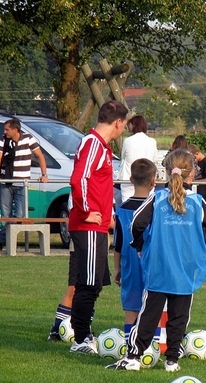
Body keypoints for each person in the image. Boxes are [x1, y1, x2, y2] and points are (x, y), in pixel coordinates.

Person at [106, 148, 206, 371]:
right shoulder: (197, 202)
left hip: (158, 267)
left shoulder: (157, 199)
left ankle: (133, 357)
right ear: (191, 174)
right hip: (185, 269)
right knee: (179, 316)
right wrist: (205, 249)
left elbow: (136, 224)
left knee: (149, 314)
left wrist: (140, 246)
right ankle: (172, 361)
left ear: (166, 171)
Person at [68, 100, 129, 354]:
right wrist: (86, 211)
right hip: (88, 226)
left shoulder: (100, 146)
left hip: (98, 226)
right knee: (89, 283)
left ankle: (83, 333)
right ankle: (81, 338)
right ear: (118, 122)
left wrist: (109, 214)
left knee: (92, 281)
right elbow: (79, 178)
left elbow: (98, 186)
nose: (123, 130)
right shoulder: (93, 143)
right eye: (124, 125)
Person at [113, 158, 157, 340]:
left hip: (130, 267)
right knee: (153, 309)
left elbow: (118, 243)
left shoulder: (121, 210)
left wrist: (117, 269)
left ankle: (129, 346)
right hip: (153, 267)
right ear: (154, 181)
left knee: (131, 310)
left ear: (131, 179)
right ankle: (152, 346)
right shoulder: (156, 208)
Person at [0, 118, 48, 252]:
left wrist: (44, 174)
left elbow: (40, 156)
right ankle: (7, 243)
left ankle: (1, 237)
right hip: (6, 181)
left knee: (20, 215)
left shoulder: (28, 139)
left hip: (22, 183)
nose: (5, 132)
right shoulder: (3, 140)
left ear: (15, 130)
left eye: (7, 129)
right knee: (6, 214)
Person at [117, 115, 158, 203]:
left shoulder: (127, 141)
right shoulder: (152, 141)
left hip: (128, 180)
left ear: (133, 125)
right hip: (147, 180)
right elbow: (154, 159)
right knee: (146, 205)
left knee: (127, 205)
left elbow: (123, 157)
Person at [188, 144, 206, 209]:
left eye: (194, 157)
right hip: (199, 191)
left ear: (197, 153)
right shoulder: (197, 163)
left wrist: (196, 181)